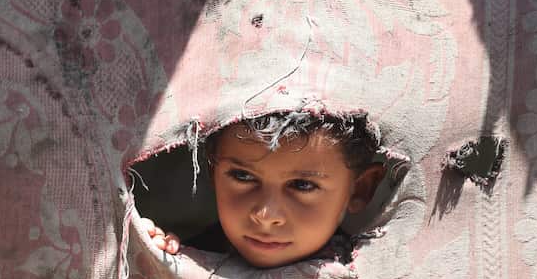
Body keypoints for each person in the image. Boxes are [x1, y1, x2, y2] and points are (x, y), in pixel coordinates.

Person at [142, 111, 385, 268]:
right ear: (212, 170)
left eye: (302, 185)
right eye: (243, 176)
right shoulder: (196, 257)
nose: (266, 215)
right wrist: (161, 256)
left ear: (359, 190)